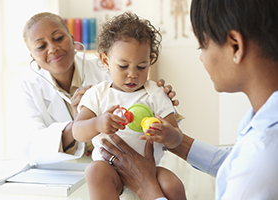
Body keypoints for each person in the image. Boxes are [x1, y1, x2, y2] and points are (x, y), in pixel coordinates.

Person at [100, 0, 278, 199]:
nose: (201, 58)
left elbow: (250, 171)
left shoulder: (265, 154)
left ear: (235, 46)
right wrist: (173, 138)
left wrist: (145, 186)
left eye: (202, 46)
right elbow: (235, 163)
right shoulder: (260, 125)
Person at [20, 12, 179, 164]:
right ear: (32, 56)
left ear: (72, 38)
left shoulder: (110, 66)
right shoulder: (28, 87)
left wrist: (160, 98)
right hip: (66, 169)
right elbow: (31, 146)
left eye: (59, 38)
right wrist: (85, 123)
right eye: (41, 46)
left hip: (128, 161)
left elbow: (164, 128)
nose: (52, 48)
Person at [72, 13, 186, 200]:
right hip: (110, 170)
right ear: (106, 60)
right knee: (94, 172)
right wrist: (97, 124)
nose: (132, 74)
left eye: (141, 67)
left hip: (149, 169)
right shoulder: (97, 94)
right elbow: (77, 131)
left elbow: (176, 138)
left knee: (173, 186)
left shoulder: (155, 93)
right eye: (123, 66)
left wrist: (167, 134)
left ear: (151, 60)